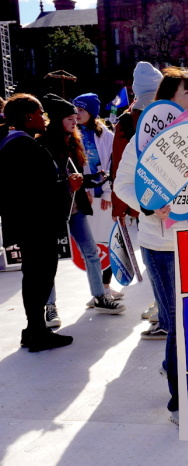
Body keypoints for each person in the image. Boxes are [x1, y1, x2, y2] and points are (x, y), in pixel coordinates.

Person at [114, 67, 188, 425]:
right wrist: (147, 204)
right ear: (167, 101)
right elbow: (121, 185)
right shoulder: (142, 142)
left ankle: (174, 367)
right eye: (186, 93)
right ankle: (181, 402)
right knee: (178, 322)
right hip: (160, 244)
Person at [39, 94, 126, 324]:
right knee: (49, 261)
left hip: (75, 208)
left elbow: (79, 175)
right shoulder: (43, 144)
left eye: (75, 116)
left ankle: (99, 296)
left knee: (91, 252)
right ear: (58, 120)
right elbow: (43, 184)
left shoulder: (74, 140)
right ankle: (50, 307)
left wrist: (96, 180)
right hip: (53, 211)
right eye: (69, 117)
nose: (75, 120)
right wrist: (70, 184)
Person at [0, 94, 74, 352]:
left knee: (33, 276)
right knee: (39, 277)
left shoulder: (12, 143)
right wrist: (68, 185)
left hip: (25, 223)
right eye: (41, 112)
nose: (44, 117)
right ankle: (37, 332)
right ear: (28, 116)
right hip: (36, 224)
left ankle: (33, 330)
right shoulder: (24, 146)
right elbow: (39, 190)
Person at [111, 61, 163, 327]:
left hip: (142, 195)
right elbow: (120, 163)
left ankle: (161, 306)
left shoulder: (126, 121)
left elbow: (118, 164)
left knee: (153, 251)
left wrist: (121, 205)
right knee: (159, 252)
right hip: (159, 193)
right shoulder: (169, 116)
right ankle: (161, 306)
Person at [72, 92, 124, 303]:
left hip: (104, 196)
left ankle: (105, 286)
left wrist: (109, 192)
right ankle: (98, 289)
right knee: (90, 245)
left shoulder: (106, 135)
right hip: (82, 197)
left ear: (92, 112)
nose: (77, 114)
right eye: (74, 109)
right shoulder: (71, 133)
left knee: (108, 241)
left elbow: (114, 165)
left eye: (81, 109)